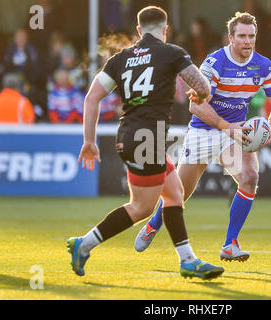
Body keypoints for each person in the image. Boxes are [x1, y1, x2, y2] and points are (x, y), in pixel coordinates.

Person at [67, 6, 224, 280]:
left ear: (139, 31)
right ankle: (85, 243)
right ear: (166, 30)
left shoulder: (121, 58)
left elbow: (91, 98)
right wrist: (199, 96)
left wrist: (89, 141)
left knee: (174, 193)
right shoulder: (172, 52)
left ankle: (187, 260)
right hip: (147, 139)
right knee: (142, 207)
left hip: (133, 135)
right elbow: (202, 87)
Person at [135, 12, 271, 262]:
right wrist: (228, 128)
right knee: (179, 193)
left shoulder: (263, 65)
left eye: (251, 36)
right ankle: (153, 223)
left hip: (235, 132)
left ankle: (230, 244)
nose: (247, 41)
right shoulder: (214, 63)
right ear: (230, 37)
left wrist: (270, 125)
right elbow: (196, 106)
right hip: (204, 130)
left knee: (249, 178)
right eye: (242, 36)